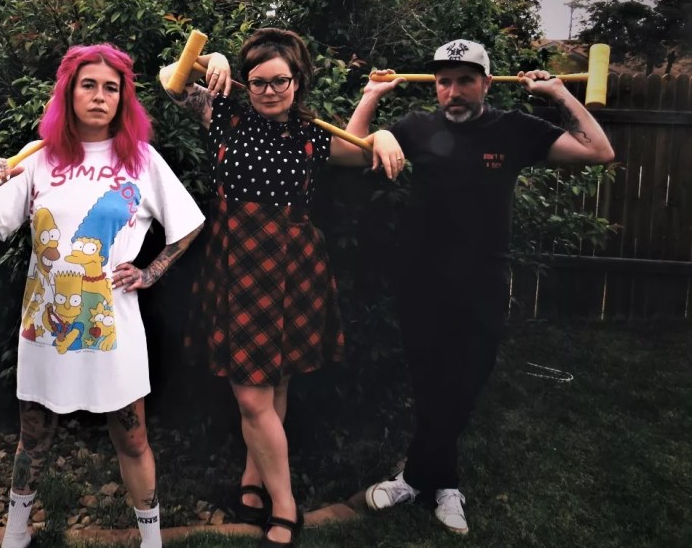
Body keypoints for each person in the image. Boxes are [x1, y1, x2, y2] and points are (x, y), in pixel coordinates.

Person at [352, 40, 615, 535]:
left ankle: (413, 477)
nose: (453, 91)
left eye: (465, 80)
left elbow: (599, 151)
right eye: (444, 81)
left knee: (465, 383)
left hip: (482, 283)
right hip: (421, 281)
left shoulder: (513, 129)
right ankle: (445, 485)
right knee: (430, 383)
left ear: (487, 83)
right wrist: (374, 106)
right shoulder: (415, 127)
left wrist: (560, 94)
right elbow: (347, 153)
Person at [159, 28, 405, 547]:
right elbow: (169, 80)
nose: (270, 91)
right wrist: (213, 58)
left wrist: (377, 123)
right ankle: (286, 502)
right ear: (245, 83)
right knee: (253, 395)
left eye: (281, 81)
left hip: (292, 260)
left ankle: (256, 478)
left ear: (298, 80)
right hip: (237, 258)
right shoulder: (223, 114)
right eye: (258, 82)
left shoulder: (312, 134)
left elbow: (357, 152)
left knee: (275, 383)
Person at [0, 44, 205, 548]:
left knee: (133, 436)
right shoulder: (39, 158)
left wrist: (151, 271)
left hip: (113, 330)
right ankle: (16, 532)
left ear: (123, 99)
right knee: (33, 435)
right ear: (69, 92)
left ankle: (151, 539)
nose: (99, 96)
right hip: (44, 330)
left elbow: (187, 225)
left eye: (111, 88)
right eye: (88, 85)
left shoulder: (140, 159)